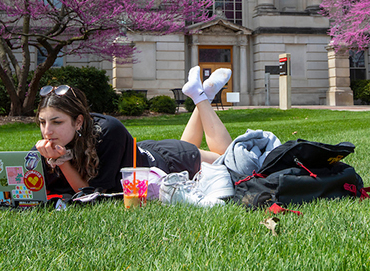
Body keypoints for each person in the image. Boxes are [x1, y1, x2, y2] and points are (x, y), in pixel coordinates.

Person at [35, 66, 233, 196]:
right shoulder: (48, 144)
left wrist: (61, 162)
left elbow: (91, 195)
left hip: (167, 163)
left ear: (78, 122)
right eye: (42, 122)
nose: (47, 131)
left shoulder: (107, 132)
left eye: (56, 122)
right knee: (189, 146)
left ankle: (200, 96)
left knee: (225, 159)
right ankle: (203, 93)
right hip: (143, 153)